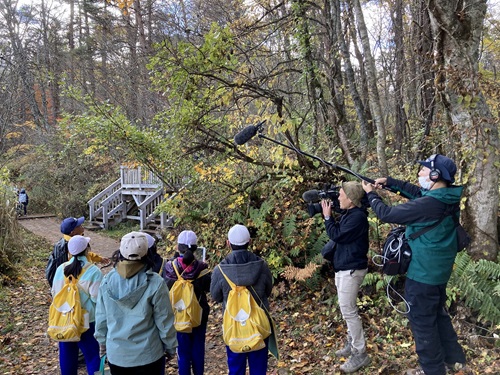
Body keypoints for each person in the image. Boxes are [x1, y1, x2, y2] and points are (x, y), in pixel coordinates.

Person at [361, 154, 467, 375]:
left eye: (424, 170)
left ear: (436, 175)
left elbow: (386, 214)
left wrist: (372, 195)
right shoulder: (446, 198)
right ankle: (454, 360)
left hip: (422, 276)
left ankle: (432, 370)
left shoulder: (429, 205)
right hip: (438, 274)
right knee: (438, 315)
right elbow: (417, 193)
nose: (419, 173)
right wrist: (389, 182)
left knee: (422, 323)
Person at [94, 231, 177, 375]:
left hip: (117, 354)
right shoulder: (156, 282)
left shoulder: (107, 281)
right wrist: (170, 347)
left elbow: (101, 318)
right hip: (149, 354)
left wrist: (103, 345)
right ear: (147, 252)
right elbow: (164, 321)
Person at [320, 181, 371, 373]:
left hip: (352, 270)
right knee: (347, 310)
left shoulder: (357, 218)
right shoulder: (350, 213)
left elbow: (337, 235)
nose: (338, 198)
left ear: (351, 199)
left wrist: (327, 217)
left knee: (349, 311)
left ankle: (360, 353)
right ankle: (352, 343)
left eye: (341, 195)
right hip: (344, 268)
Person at [210, 224, 273, 375]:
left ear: (228, 243)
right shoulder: (262, 266)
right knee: (259, 370)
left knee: (236, 369)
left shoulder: (220, 270)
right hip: (259, 326)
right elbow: (268, 290)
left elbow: (215, 296)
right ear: (250, 242)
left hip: (234, 326)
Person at [51, 235, 103, 375]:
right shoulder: (93, 271)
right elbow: (98, 299)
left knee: (67, 354)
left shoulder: (61, 269)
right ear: (87, 250)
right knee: (92, 356)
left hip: (65, 319)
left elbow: (55, 293)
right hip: (87, 321)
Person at [163, 230, 211, 375]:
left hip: (178, 313)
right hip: (199, 315)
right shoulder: (202, 269)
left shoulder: (169, 267)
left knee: (182, 352)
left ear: (178, 247)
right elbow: (208, 288)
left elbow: (165, 286)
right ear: (196, 248)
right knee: (198, 349)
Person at [45, 217, 110, 287]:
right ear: (72, 232)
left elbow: (86, 255)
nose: (82, 226)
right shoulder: (70, 248)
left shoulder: (66, 242)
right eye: (78, 226)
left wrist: (99, 259)